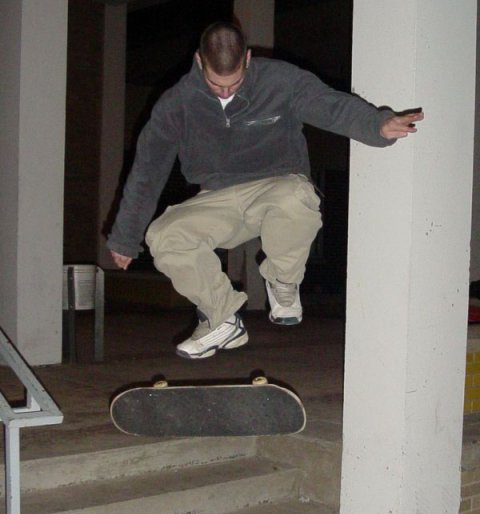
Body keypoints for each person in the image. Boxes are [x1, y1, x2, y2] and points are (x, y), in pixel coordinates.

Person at [107, 21, 423, 359]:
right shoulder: (176, 104)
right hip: (217, 198)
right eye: (215, 84)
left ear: (247, 59)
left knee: (296, 196)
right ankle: (222, 317)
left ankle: (283, 281)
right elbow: (147, 170)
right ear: (199, 61)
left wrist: (376, 124)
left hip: (276, 187)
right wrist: (126, 237)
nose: (225, 94)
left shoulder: (280, 81)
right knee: (165, 235)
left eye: (234, 83)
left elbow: (331, 105)